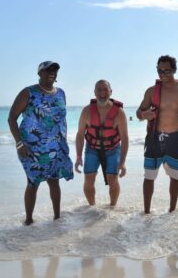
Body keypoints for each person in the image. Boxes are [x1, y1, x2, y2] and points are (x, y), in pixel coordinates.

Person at [8, 61, 74, 225]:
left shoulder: (61, 94)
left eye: (55, 70)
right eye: (48, 70)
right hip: (31, 148)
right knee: (33, 182)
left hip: (56, 146)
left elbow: (60, 120)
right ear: (40, 73)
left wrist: (63, 142)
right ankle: (29, 221)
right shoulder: (28, 93)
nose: (52, 72)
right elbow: (11, 119)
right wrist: (19, 144)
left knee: (54, 180)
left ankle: (57, 219)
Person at [137, 55, 178, 213]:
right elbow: (139, 112)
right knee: (149, 176)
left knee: (176, 177)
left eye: (166, 71)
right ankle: (146, 213)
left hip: (175, 138)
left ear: (174, 70)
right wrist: (144, 115)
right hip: (154, 138)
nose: (162, 74)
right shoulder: (151, 92)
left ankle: (171, 212)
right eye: (159, 70)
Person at [74, 80, 129, 206]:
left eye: (105, 89)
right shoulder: (86, 111)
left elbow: (125, 138)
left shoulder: (119, 113)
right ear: (94, 92)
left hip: (113, 149)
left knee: (113, 179)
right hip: (92, 148)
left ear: (110, 92)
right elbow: (80, 134)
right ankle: (92, 208)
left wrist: (123, 162)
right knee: (89, 179)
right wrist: (78, 157)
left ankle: (112, 207)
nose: (102, 93)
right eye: (99, 90)